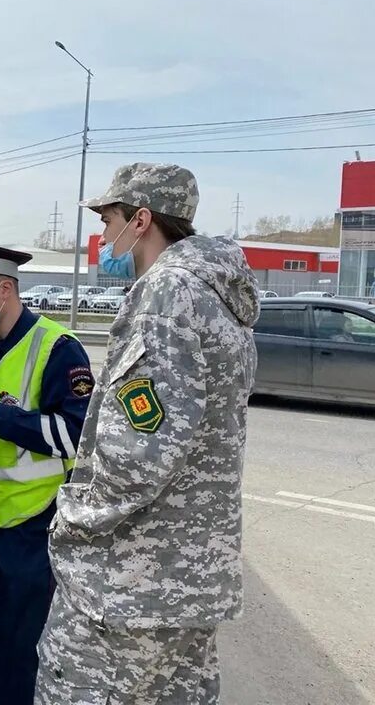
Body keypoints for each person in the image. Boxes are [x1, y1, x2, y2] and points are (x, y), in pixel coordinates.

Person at [34, 163, 260, 705]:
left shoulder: (166, 292)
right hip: (187, 579)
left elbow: (140, 450)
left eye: (109, 219)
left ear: (141, 220)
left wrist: (74, 518)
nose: (104, 234)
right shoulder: (218, 294)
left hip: (130, 582)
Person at [0, 239, 94, 705]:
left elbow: (78, 439)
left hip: (35, 522)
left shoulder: (58, 348)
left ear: (4, 289)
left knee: (28, 642)